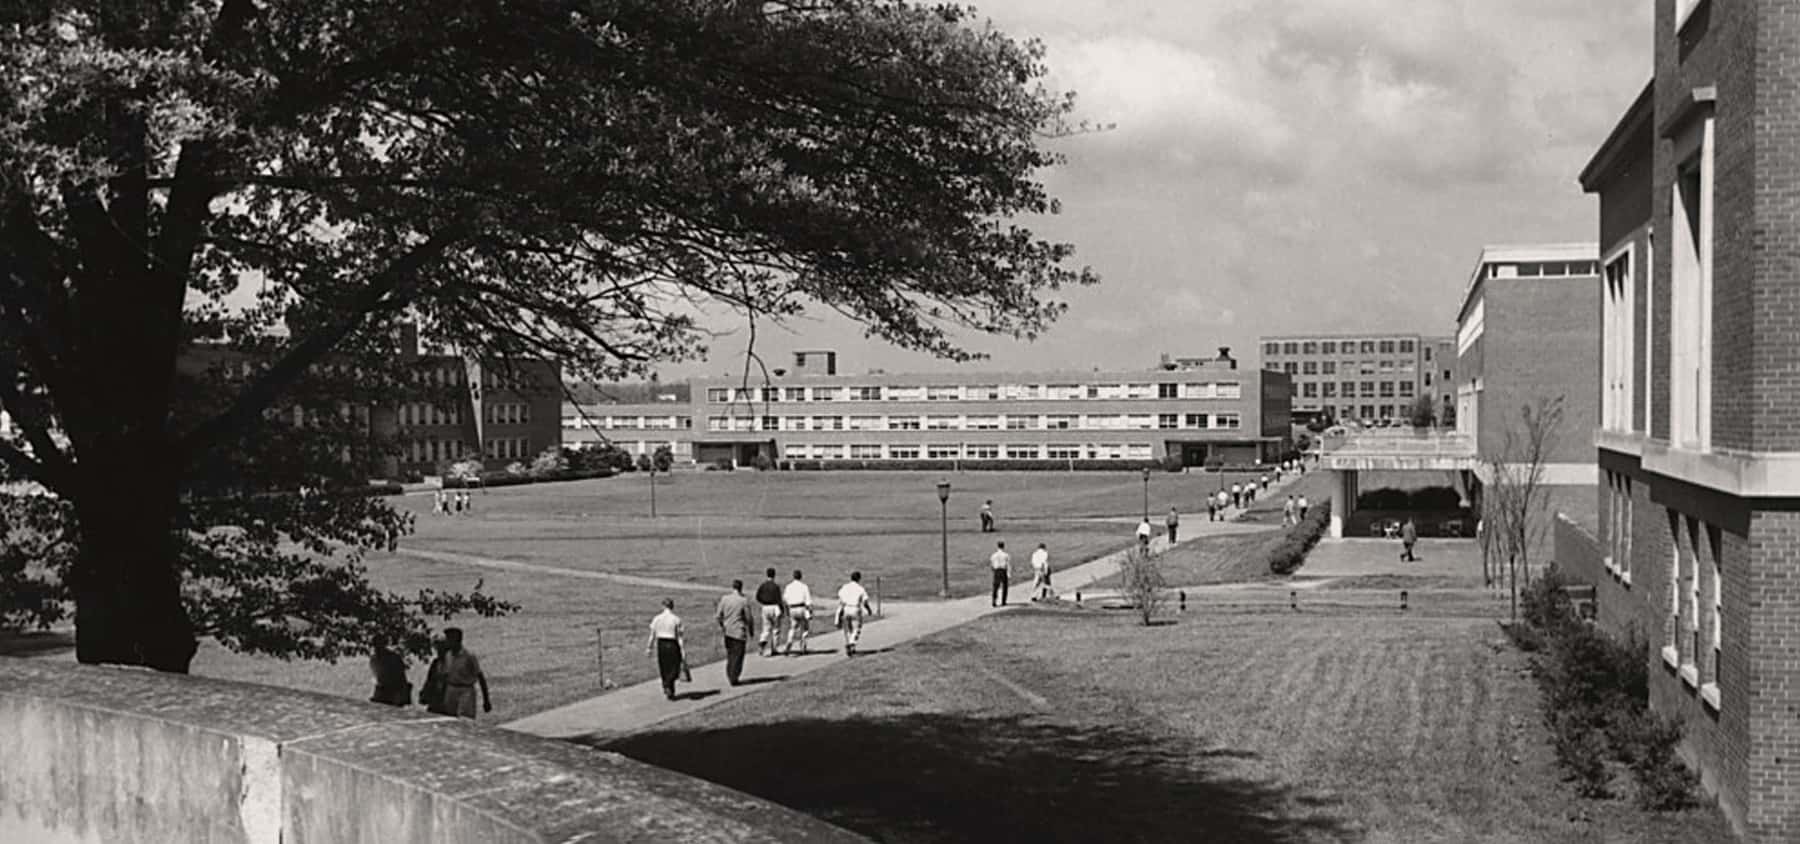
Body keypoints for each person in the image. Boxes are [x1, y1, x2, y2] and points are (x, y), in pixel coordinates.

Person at [439, 628, 491, 718]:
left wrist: (486, 700)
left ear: (457, 640)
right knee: (450, 718)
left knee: (465, 718)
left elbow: (480, 677)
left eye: (450, 639)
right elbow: (446, 675)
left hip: (466, 690)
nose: (447, 642)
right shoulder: (448, 655)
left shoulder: (469, 656)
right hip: (451, 689)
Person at [715, 579, 755, 686]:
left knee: (730, 654)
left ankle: (730, 674)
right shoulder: (743, 601)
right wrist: (751, 630)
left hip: (728, 631)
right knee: (738, 655)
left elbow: (719, 616)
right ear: (741, 588)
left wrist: (723, 626)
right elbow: (749, 617)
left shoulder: (725, 599)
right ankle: (734, 675)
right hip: (739, 632)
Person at [645, 598, 686, 699]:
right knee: (674, 666)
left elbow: (652, 635)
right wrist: (682, 650)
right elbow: (679, 637)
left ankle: (666, 684)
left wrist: (649, 647)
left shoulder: (657, 618)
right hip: (672, 643)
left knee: (663, 666)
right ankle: (670, 685)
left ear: (663, 606)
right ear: (672, 606)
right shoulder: (676, 619)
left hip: (661, 643)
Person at [835, 571, 873, 657]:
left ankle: (848, 642)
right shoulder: (860, 588)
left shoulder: (845, 587)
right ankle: (852, 643)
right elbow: (865, 601)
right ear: (859, 579)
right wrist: (869, 610)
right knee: (857, 628)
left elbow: (840, 597)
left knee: (848, 629)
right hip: (855, 608)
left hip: (846, 608)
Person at [754, 567, 787, 657]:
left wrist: (763, 602)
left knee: (766, 628)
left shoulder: (763, 585)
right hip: (774, 607)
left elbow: (757, 597)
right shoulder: (775, 586)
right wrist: (782, 610)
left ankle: (762, 641)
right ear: (774, 575)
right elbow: (779, 599)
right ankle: (774, 648)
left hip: (765, 607)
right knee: (776, 629)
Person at [368, 642, 412, 707]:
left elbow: (400, 677)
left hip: (392, 692)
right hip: (387, 691)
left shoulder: (376, 659)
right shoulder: (375, 659)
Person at [782, 570, 813, 655]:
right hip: (801, 608)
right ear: (801, 577)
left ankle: (789, 641)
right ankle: (803, 644)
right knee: (805, 627)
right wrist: (810, 611)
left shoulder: (788, 587)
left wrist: (787, 611)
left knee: (793, 627)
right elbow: (808, 601)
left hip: (792, 608)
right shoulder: (804, 587)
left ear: (793, 576)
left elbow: (785, 600)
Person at [420, 637, 451, 714]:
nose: (439, 652)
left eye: (442, 649)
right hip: (435, 698)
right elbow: (430, 679)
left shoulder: (452, 664)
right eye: (438, 649)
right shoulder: (435, 663)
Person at [989, 541, 1012, 607]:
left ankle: (994, 600)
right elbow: (1008, 565)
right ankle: (1003, 601)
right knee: (1004, 586)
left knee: (995, 587)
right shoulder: (1006, 555)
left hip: (996, 570)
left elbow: (992, 564)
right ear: (1003, 546)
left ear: (997, 546)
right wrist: (1009, 573)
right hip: (1003, 570)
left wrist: (993, 570)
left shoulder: (994, 555)